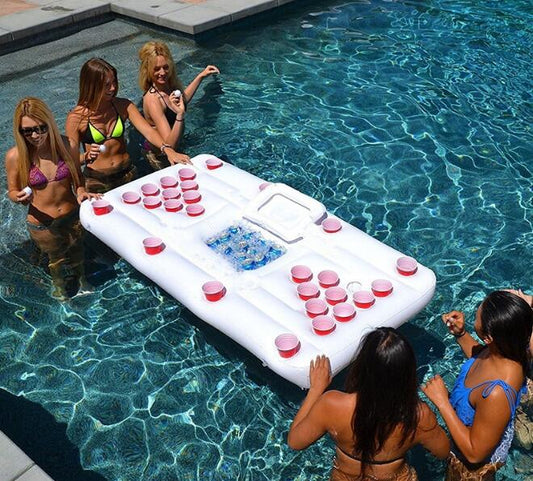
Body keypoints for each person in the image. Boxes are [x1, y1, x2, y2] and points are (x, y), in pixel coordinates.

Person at [288, 327, 450, 480]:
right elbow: (442, 452)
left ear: (361, 366)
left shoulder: (331, 404)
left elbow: (295, 442)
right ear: (407, 373)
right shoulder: (418, 416)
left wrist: (316, 389)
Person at [422, 291, 533, 480]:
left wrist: (442, 402)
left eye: (476, 316)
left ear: (488, 337)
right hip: (480, 426)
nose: (474, 317)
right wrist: (462, 334)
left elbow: (475, 454)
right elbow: (480, 358)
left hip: (473, 468)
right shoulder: (507, 351)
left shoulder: (496, 392)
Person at [5, 97, 98, 299]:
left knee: (77, 251)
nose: (36, 135)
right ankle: (59, 289)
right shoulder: (16, 156)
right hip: (42, 222)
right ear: (20, 132)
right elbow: (12, 190)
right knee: (55, 260)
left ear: (50, 123)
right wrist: (17, 197)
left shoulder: (67, 145)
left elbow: (78, 179)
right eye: (27, 131)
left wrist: (81, 191)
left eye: (41, 128)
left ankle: (82, 281)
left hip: (71, 214)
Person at [65, 57, 190, 193]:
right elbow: (72, 160)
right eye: (107, 85)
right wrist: (81, 184)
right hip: (97, 181)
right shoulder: (76, 118)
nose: (113, 88)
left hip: (127, 173)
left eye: (114, 82)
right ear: (92, 85)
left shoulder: (123, 106)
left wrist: (168, 150)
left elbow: (148, 131)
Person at [138, 41, 219, 170]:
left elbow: (183, 100)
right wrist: (180, 115)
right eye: (156, 69)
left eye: (165, 67)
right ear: (147, 70)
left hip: (177, 144)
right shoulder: (153, 100)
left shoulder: (168, 86)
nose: (162, 73)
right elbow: (169, 146)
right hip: (161, 156)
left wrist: (201, 76)